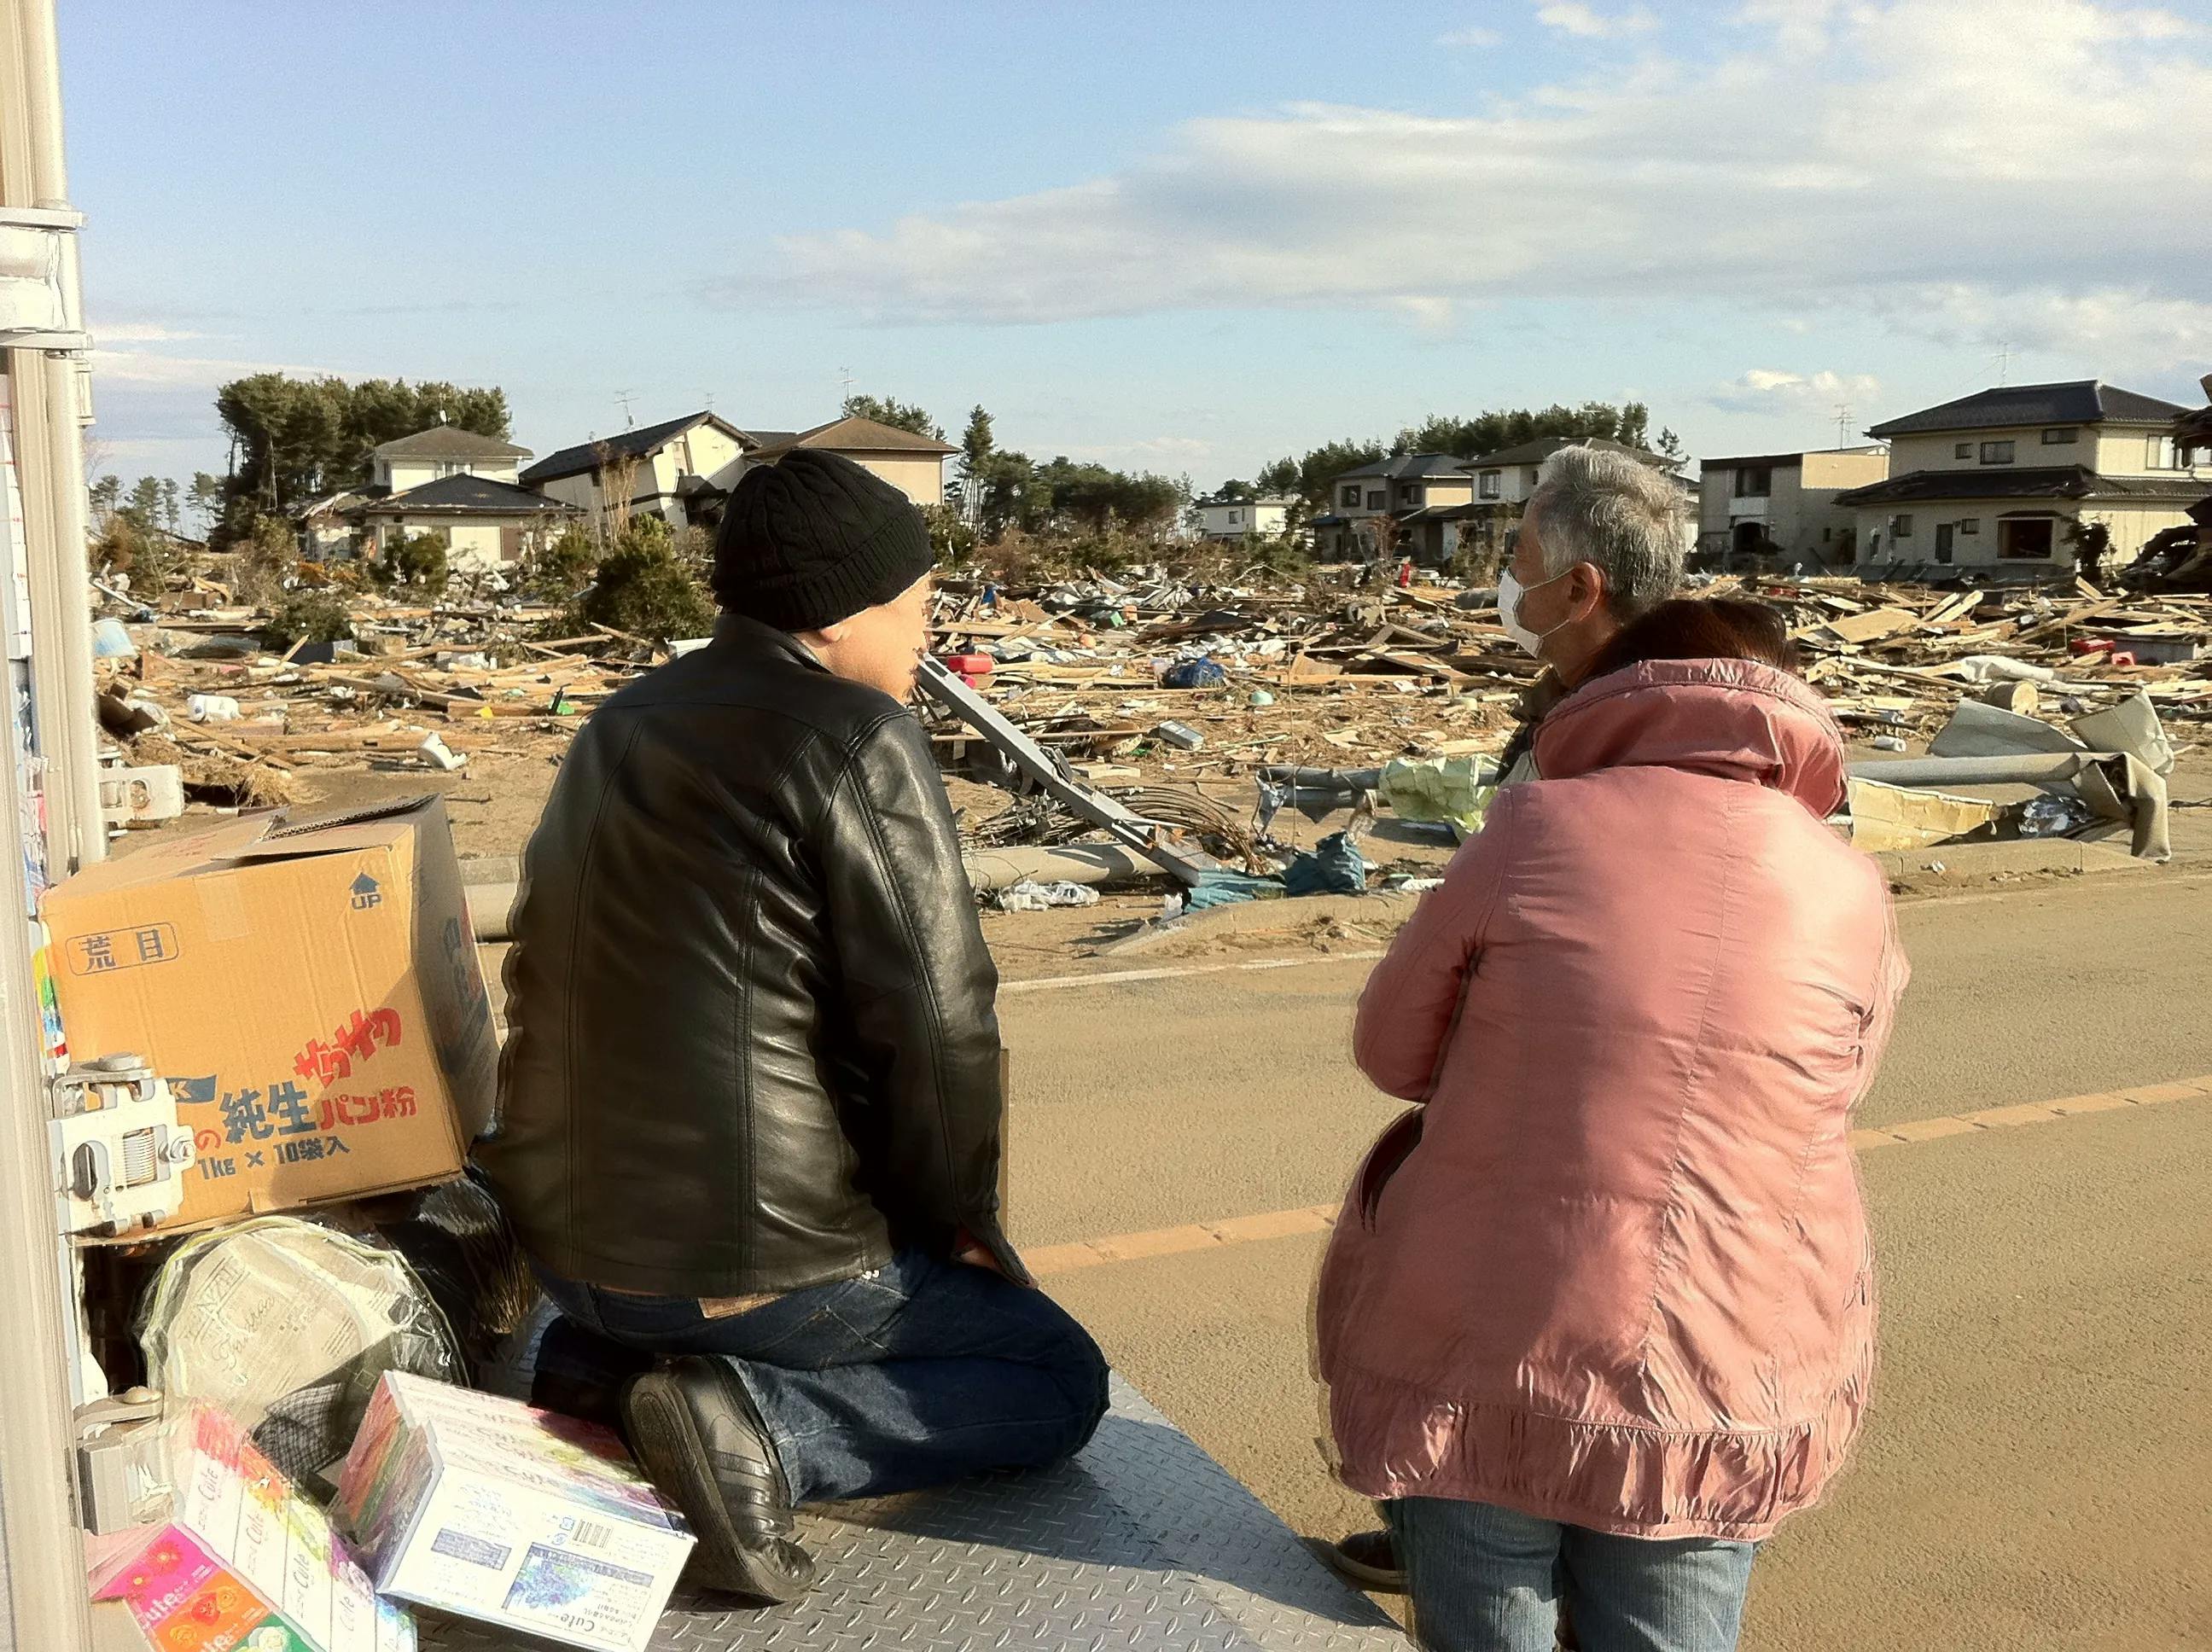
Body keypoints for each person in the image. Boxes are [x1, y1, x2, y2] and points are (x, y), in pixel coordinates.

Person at [475, 450, 1109, 1603]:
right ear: (837, 612)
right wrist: (957, 1219)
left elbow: (534, 965)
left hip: (569, 1253)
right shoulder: (857, 734)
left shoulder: (623, 719)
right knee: (1056, 1373)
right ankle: (762, 1429)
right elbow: (938, 1025)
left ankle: (604, 1375)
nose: (927, 636)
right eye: (918, 605)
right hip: (746, 1266)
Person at [1314, 595, 1909, 1652]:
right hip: (1727, 1362)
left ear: (1616, 695)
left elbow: (1390, 1051)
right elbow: (1835, 1089)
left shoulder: (1531, 827)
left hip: (1486, 1336)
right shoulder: (1849, 882)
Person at [1324, 441, 1690, 1594]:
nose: (1504, 580)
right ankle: (1464, 1534)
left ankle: (1504, 1558)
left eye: (1520, 558)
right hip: (1597, 1083)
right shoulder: (1675, 712)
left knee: (1529, 1329)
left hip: (1579, 1086)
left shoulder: (1630, 732)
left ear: (1580, 588)